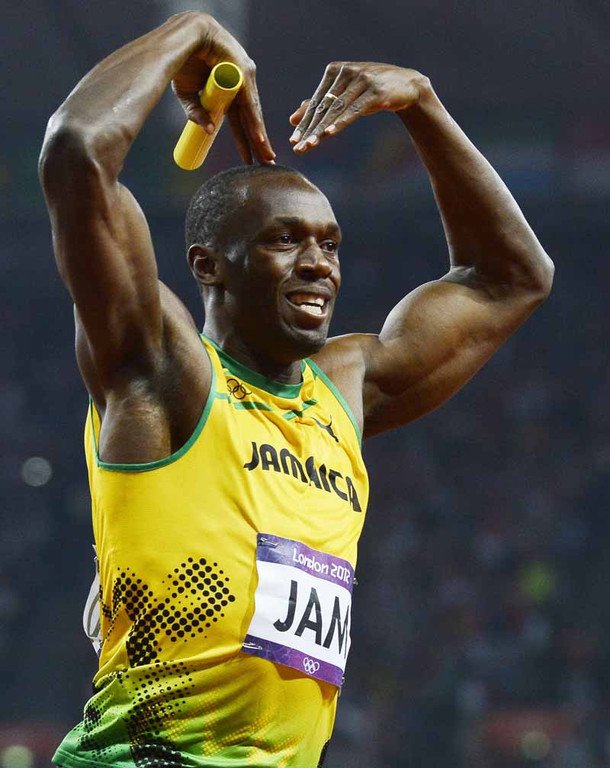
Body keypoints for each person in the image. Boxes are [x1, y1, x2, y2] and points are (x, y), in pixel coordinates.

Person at [39, 11, 554, 768]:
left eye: (329, 244)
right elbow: (78, 152)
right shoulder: (165, 373)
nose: (318, 264)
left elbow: (513, 279)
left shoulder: (345, 388)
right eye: (284, 239)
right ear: (209, 265)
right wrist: (190, 32)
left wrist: (421, 104)